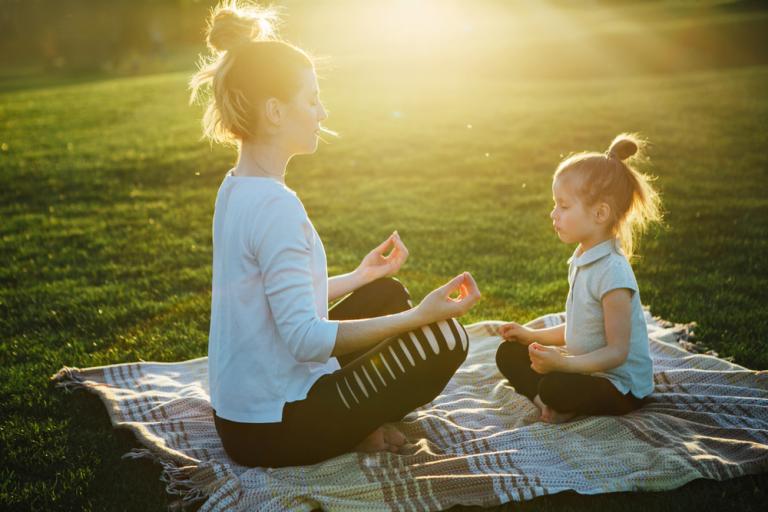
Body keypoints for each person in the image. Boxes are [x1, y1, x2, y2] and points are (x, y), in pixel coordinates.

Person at [190, 1, 481, 468]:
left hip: (243, 412)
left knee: (386, 291)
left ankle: (352, 418)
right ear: (274, 111)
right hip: (272, 427)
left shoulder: (236, 187)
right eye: (311, 100)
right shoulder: (274, 206)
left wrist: (361, 276)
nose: (323, 112)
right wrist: (419, 318)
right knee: (447, 339)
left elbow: (272, 302)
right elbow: (305, 339)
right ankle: (349, 430)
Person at [495, 133, 662, 423]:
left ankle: (552, 399)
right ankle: (545, 404)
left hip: (618, 386)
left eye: (564, 206)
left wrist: (565, 364)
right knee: (508, 353)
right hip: (583, 370)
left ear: (599, 213)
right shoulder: (582, 257)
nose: (553, 214)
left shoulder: (613, 273)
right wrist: (530, 335)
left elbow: (617, 352)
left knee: (555, 385)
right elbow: (578, 328)